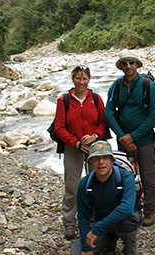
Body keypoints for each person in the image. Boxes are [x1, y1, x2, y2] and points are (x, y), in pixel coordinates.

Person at [68, 141, 142, 255]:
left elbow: (126, 208)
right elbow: (83, 216)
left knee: (129, 219)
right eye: (96, 159)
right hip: (99, 222)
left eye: (105, 158)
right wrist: (86, 249)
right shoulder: (85, 184)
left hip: (119, 222)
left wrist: (96, 230)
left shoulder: (125, 178)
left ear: (112, 160)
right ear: (90, 162)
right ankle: (109, 240)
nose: (101, 162)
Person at [105, 50, 155, 227]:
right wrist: (122, 137)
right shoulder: (116, 86)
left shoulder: (147, 86)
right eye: (124, 63)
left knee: (148, 175)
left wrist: (132, 137)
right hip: (123, 142)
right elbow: (109, 113)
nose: (128, 66)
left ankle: (149, 210)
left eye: (131, 63)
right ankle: (129, 207)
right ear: (121, 67)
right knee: (125, 175)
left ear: (137, 65)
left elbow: (152, 116)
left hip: (144, 140)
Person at [54, 66, 106, 240]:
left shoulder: (97, 99)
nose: (81, 82)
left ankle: (95, 219)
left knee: (97, 183)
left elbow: (102, 123)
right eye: (78, 78)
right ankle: (69, 222)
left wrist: (94, 136)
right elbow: (59, 127)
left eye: (84, 79)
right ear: (73, 79)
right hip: (73, 147)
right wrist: (75, 142)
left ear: (89, 80)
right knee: (72, 186)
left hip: (93, 147)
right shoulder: (64, 100)